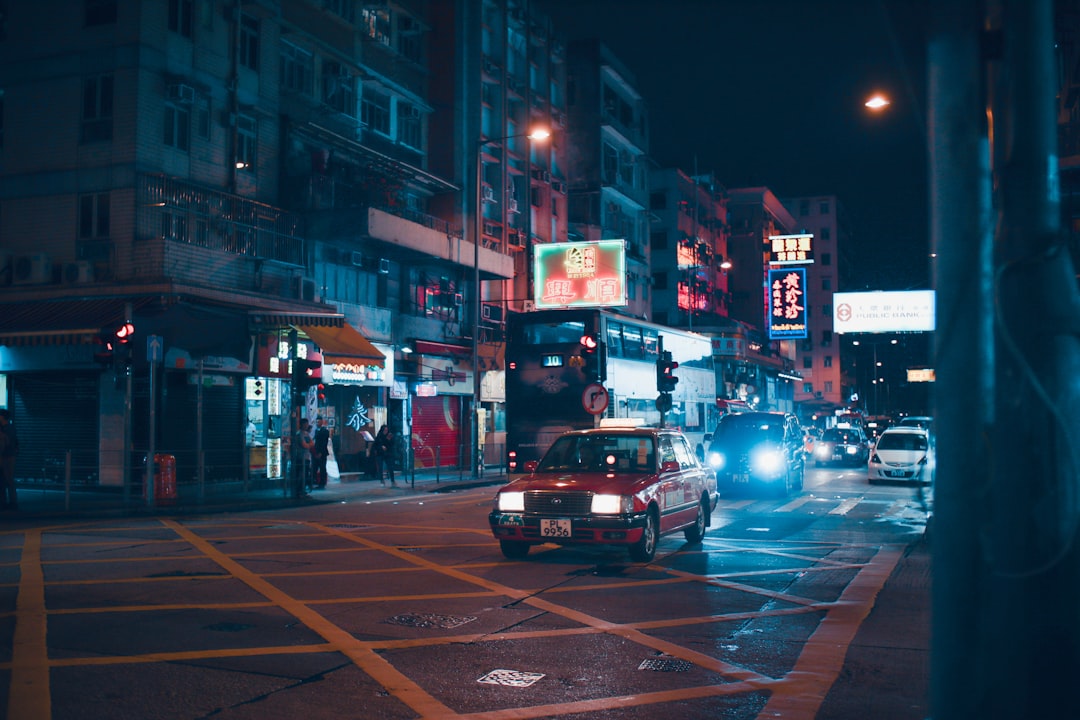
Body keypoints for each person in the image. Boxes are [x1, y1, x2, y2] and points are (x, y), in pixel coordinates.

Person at [0, 410, 18, 511]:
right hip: (5, 456)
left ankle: (12, 502)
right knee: (5, 479)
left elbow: (9, 442)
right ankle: (8, 501)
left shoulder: (9, 428)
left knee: (9, 478)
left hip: (8, 456)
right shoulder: (5, 428)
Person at [292, 417, 314, 496]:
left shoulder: (306, 434)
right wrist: (309, 445)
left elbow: (312, 443)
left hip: (307, 456)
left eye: (307, 424)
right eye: (305, 424)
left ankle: (303, 489)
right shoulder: (299, 434)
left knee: (305, 474)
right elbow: (304, 445)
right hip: (301, 457)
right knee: (301, 474)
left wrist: (308, 445)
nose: (306, 426)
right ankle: (299, 490)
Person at [311, 417, 330, 489]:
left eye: (318, 422)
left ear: (322, 422)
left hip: (322, 452)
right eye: (316, 422)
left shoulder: (325, 431)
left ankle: (322, 483)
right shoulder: (316, 431)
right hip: (315, 451)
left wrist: (321, 452)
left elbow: (324, 443)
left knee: (322, 468)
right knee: (314, 467)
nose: (317, 423)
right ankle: (315, 481)